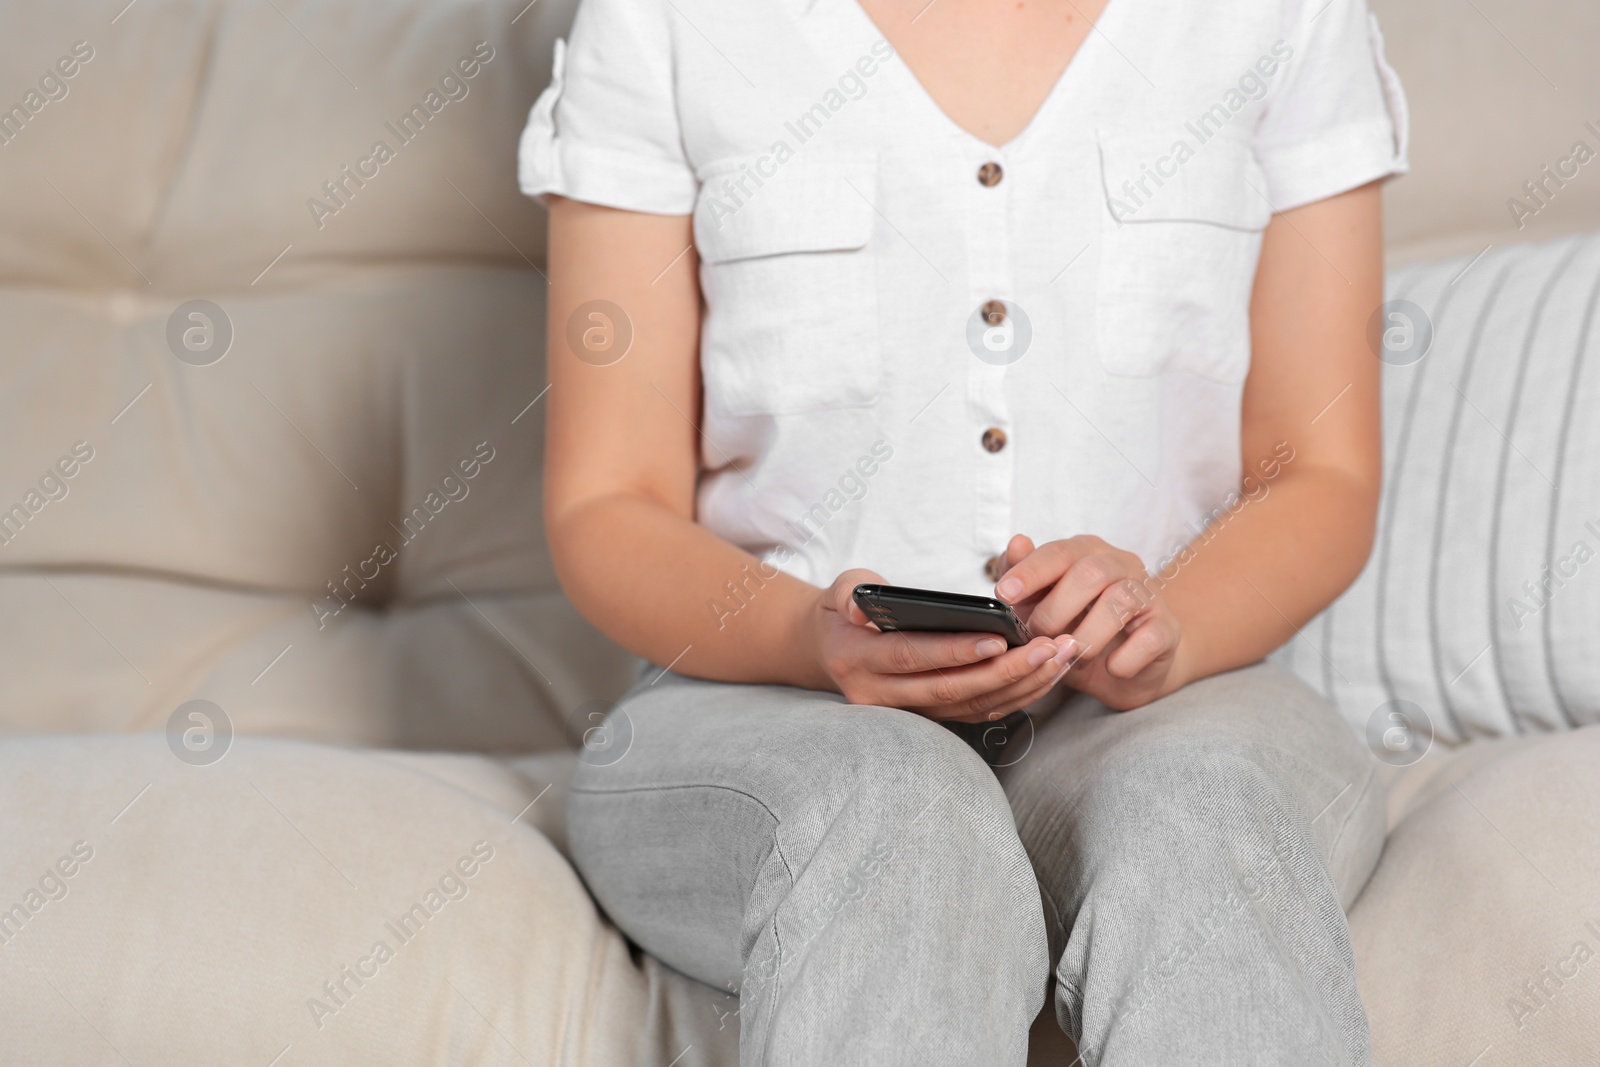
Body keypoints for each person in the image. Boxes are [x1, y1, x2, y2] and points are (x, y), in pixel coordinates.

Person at [519, 0, 1407, 1061]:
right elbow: (606, 502)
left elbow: (1320, 472)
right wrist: (809, 636)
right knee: (895, 811)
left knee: (1195, 811)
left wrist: (1164, 616)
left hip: (1191, 702)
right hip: (755, 708)